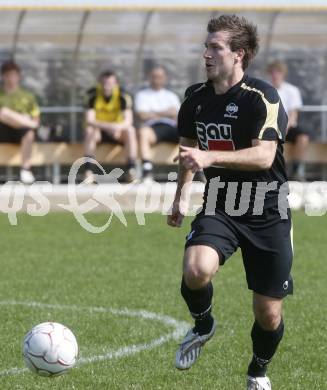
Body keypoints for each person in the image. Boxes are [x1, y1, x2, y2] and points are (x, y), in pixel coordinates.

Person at [167, 15, 293, 390]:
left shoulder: (263, 97)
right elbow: (188, 150)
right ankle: (203, 325)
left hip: (268, 209)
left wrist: (210, 158)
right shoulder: (194, 99)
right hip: (221, 203)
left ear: (239, 54)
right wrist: (180, 197)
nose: (205, 54)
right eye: (205, 46)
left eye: (215, 47)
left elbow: (264, 157)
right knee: (195, 270)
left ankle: (257, 371)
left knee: (268, 314)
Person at [84, 70, 138, 183]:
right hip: (99, 131)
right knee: (89, 131)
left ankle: (131, 169)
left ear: (116, 84)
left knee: (131, 130)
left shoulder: (123, 96)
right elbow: (89, 120)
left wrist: (116, 127)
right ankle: (88, 171)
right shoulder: (92, 95)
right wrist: (108, 126)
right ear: (99, 83)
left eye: (109, 83)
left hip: (117, 131)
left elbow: (128, 121)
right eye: (103, 83)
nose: (106, 86)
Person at [135, 66, 181, 181]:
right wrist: (166, 112)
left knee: (193, 131)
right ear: (149, 78)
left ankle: (199, 170)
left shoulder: (171, 96)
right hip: (153, 128)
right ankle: (147, 170)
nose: (157, 79)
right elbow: (142, 115)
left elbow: (177, 115)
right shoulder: (142, 95)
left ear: (165, 78)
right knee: (142, 132)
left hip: (172, 127)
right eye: (154, 77)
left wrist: (153, 112)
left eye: (160, 77)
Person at [267, 60, 309, 180]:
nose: (275, 75)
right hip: (270, 126)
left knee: (303, 136)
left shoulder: (292, 90)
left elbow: (293, 114)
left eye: (278, 72)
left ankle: (296, 168)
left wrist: (284, 127)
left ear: (283, 74)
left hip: (287, 126)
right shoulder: (265, 89)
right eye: (273, 72)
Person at [0, 60, 40, 184]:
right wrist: (23, 118)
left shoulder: (28, 96)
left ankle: (26, 170)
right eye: (7, 75)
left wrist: (18, 119)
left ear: (19, 76)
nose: (10, 78)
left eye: (13, 75)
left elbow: (36, 118)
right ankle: (27, 123)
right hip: (2, 131)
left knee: (29, 133)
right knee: (3, 112)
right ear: (2, 77)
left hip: (20, 132)